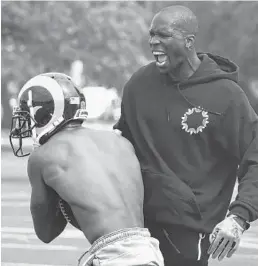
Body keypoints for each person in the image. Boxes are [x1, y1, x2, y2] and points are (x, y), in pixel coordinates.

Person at [114, 5, 258, 266]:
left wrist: (239, 217)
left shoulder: (227, 96)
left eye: (163, 35)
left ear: (189, 41)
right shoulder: (138, 85)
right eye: (151, 34)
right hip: (134, 228)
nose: (153, 41)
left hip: (188, 234)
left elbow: (255, 157)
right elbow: (123, 144)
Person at [9, 72, 164, 266]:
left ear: (43, 113)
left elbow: (45, 233)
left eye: (27, 114)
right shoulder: (119, 142)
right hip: (148, 250)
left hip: (112, 255)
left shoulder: (43, 156)